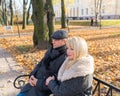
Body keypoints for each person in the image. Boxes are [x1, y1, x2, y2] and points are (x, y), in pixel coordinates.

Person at [17, 30, 68, 96]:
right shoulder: (51, 50)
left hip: (44, 89)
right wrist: (32, 75)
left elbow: (57, 79)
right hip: (34, 82)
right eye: (53, 39)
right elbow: (40, 64)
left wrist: (37, 83)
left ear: (64, 41)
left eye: (56, 40)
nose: (53, 42)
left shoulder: (65, 57)